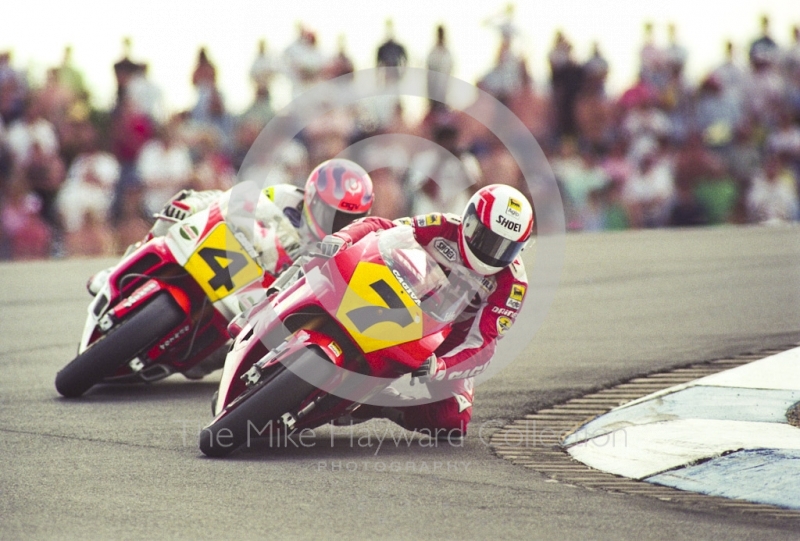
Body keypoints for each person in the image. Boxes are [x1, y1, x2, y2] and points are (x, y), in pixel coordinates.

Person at [318, 184, 533, 440]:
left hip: (445, 341)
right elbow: (384, 228)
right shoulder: (442, 225)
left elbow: (483, 345)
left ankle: (382, 403)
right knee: (325, 270)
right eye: (486, 239)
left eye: (504, 248)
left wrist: (441, 366)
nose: (491, 253)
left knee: (453, 419)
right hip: (399, 299)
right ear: (470, 222)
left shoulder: (513, 284)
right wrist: (345, 237)